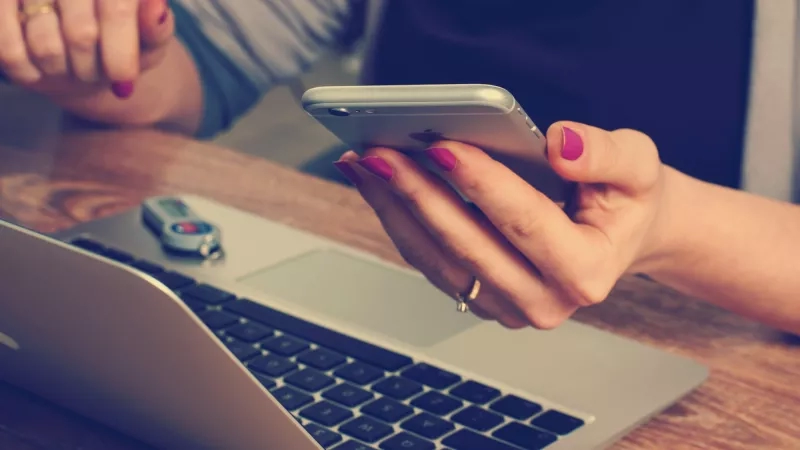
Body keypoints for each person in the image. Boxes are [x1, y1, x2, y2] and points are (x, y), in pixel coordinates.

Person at [1, 0, 798, 333]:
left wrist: (669, 228)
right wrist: (106, 52)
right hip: (380, 280)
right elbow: (203, 64)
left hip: (718, 346)